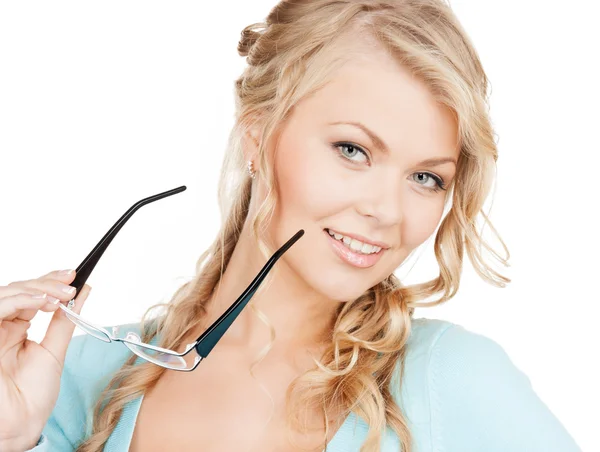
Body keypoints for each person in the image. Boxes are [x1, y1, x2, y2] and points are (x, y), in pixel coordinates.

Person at [0, 0, 582, 451]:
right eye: (353, 150)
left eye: (427, 178)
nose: (388, 210)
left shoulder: (449, 380)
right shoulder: (72, 380)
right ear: (258, 134)